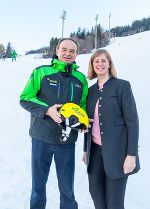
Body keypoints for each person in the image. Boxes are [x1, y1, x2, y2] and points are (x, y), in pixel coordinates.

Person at [20, 38, 88, 209]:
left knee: (67, 190)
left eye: (72, 51)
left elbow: (83, 107)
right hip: (41, 139)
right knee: (38, 188)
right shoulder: (41, 72)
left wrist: (83, 121)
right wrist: (47, 110)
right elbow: (25, 98)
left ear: (76, 54)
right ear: (57, 50)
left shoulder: (81, 79)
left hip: (67, 144)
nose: (68, 53)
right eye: (64, 49)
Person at [82, 49, 140, 209]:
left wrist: (131, 155)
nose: (100, 64)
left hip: (118, 153)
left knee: (114, 202)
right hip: (94, 153)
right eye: (96, 61)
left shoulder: (122, 86)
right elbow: (88, 122)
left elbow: (133, 122)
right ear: (92, 65)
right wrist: (86, 150)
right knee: (96, 197)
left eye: (103, 61)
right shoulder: (90, 91)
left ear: (109, 64)